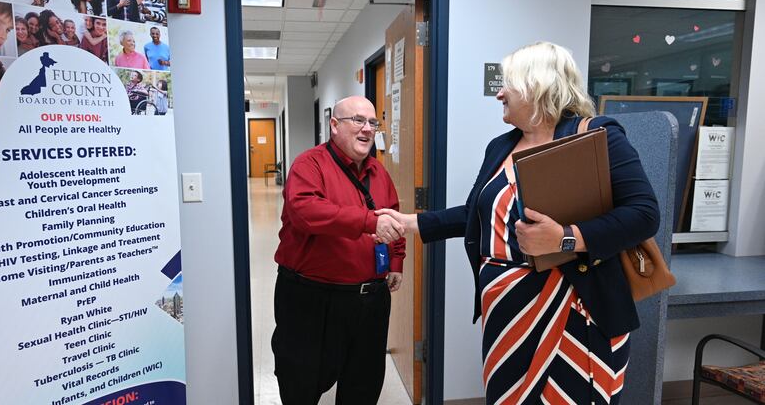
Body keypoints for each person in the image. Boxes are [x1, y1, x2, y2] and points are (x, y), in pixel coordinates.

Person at [377, 42, 659, 404]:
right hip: (508, 314)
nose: (499, 93)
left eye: (507, 83)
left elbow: (644, 213)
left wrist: (565, 239)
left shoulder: (596, 136)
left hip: (576, 312)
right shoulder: (500, 146)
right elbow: (476, 214)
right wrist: (412, 223)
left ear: (537, 85)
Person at [272, 95, 406, 405]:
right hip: (312, 299)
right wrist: (368, 220)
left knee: (363, 384)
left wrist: (396, 260)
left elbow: (393, 216)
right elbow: (306, 211)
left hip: (369, 301)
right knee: (300, 382)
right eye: (357, 120)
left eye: (373, 122)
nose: (367, 129)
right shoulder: (310, 164)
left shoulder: (378, 172)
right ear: (334, 125)